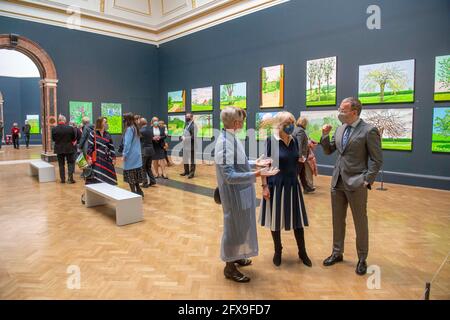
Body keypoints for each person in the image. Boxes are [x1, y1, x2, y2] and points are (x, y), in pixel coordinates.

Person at [215, 107, 279, 283]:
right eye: (241, 120)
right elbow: (228, 176)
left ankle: (236, 256)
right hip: (234, 195)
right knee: (233, 229)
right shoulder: (223, 143)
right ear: (236, 122)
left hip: (241, 193)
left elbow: (238, 162)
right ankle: (229, 267)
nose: (242, 123)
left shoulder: (230, 137)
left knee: (241, 228)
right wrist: (258, 174)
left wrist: (255, 163)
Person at [321, 97, 383, 276]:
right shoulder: (340, 128)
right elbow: (329, 150)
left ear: (354, 112)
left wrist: (367, 180)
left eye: (343, 110)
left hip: (357, 183)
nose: (339, 112)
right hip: (337, 181)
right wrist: (325, 135)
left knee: (360, 222)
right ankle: (336, 252)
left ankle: (362, 258)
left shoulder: (369, 130)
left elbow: (377, 159)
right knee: (337, 220)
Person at [259, 112, 312, 267]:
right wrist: (264, 186)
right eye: (288, 123)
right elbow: (264, 165)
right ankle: (278, 250)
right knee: (275, 219)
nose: (291, 126)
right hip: (275, 184)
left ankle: (302, 252)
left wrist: (300, 161)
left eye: (292, 122)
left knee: (298, 221)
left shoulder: (294, 140)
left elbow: (295, 160)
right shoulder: (271, 141)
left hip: (292, 185)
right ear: (279, 125)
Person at [86, 117, 117, 185]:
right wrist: (89, 158)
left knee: (108, 178)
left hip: (107, 159)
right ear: (100, 123)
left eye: (106, 122)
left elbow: (111, 147)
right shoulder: (93, 133)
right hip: (97, 159)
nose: (106, 124)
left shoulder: (108, 134)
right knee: (97, 178)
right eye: (105, 122)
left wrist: (113, 158)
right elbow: (89, 147)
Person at [122, 113, 145, 196]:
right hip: (137, 155)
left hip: (130, 156)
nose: (123, 120)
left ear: (127, 120)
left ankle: (133, 193)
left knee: (130, 175)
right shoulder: (135, 128)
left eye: (124, 119)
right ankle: (139, 191)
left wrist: (124, 154)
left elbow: (127, 144)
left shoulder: (129, 129)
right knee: (136, 174)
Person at [51, 115, 76, 184]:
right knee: (70, 163)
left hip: (59, 149)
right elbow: (73, 138)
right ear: (64, 121)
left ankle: (62, 179)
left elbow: (53, 139)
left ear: (58, 120)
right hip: (69, 148)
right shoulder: (70, 128)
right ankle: (70, 179)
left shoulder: (54, 129)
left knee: (61, 164)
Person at [293, 116, 315, 193]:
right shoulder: (301, 131)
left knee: (302, 172)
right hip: (300, 157)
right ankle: (293, 189)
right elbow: (299, 144)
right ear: (304, 123)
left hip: (300, 156)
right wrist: (300, 156)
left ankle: (306, 188)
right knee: (297, 173)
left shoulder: (295, 129)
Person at [140, 118, 157, 188]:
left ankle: (145, 183)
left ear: (140, 123)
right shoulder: (150, 130)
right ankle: (153, 181)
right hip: (151, 150)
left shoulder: (140, 131)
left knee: (143, 167)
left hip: (144, 151)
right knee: (148, 167)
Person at [180, 113, 197, 179]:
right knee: (185, 159)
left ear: (191, 117)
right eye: (186, 116)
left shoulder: (194, 126)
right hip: (185, 145)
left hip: (192, 145)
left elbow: (193, 137)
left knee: (192, 160)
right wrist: (182, 136)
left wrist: (185, 138)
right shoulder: (186, 125)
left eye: (188, 116)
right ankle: (186, 171)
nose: (186, 117)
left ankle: (191, 173)